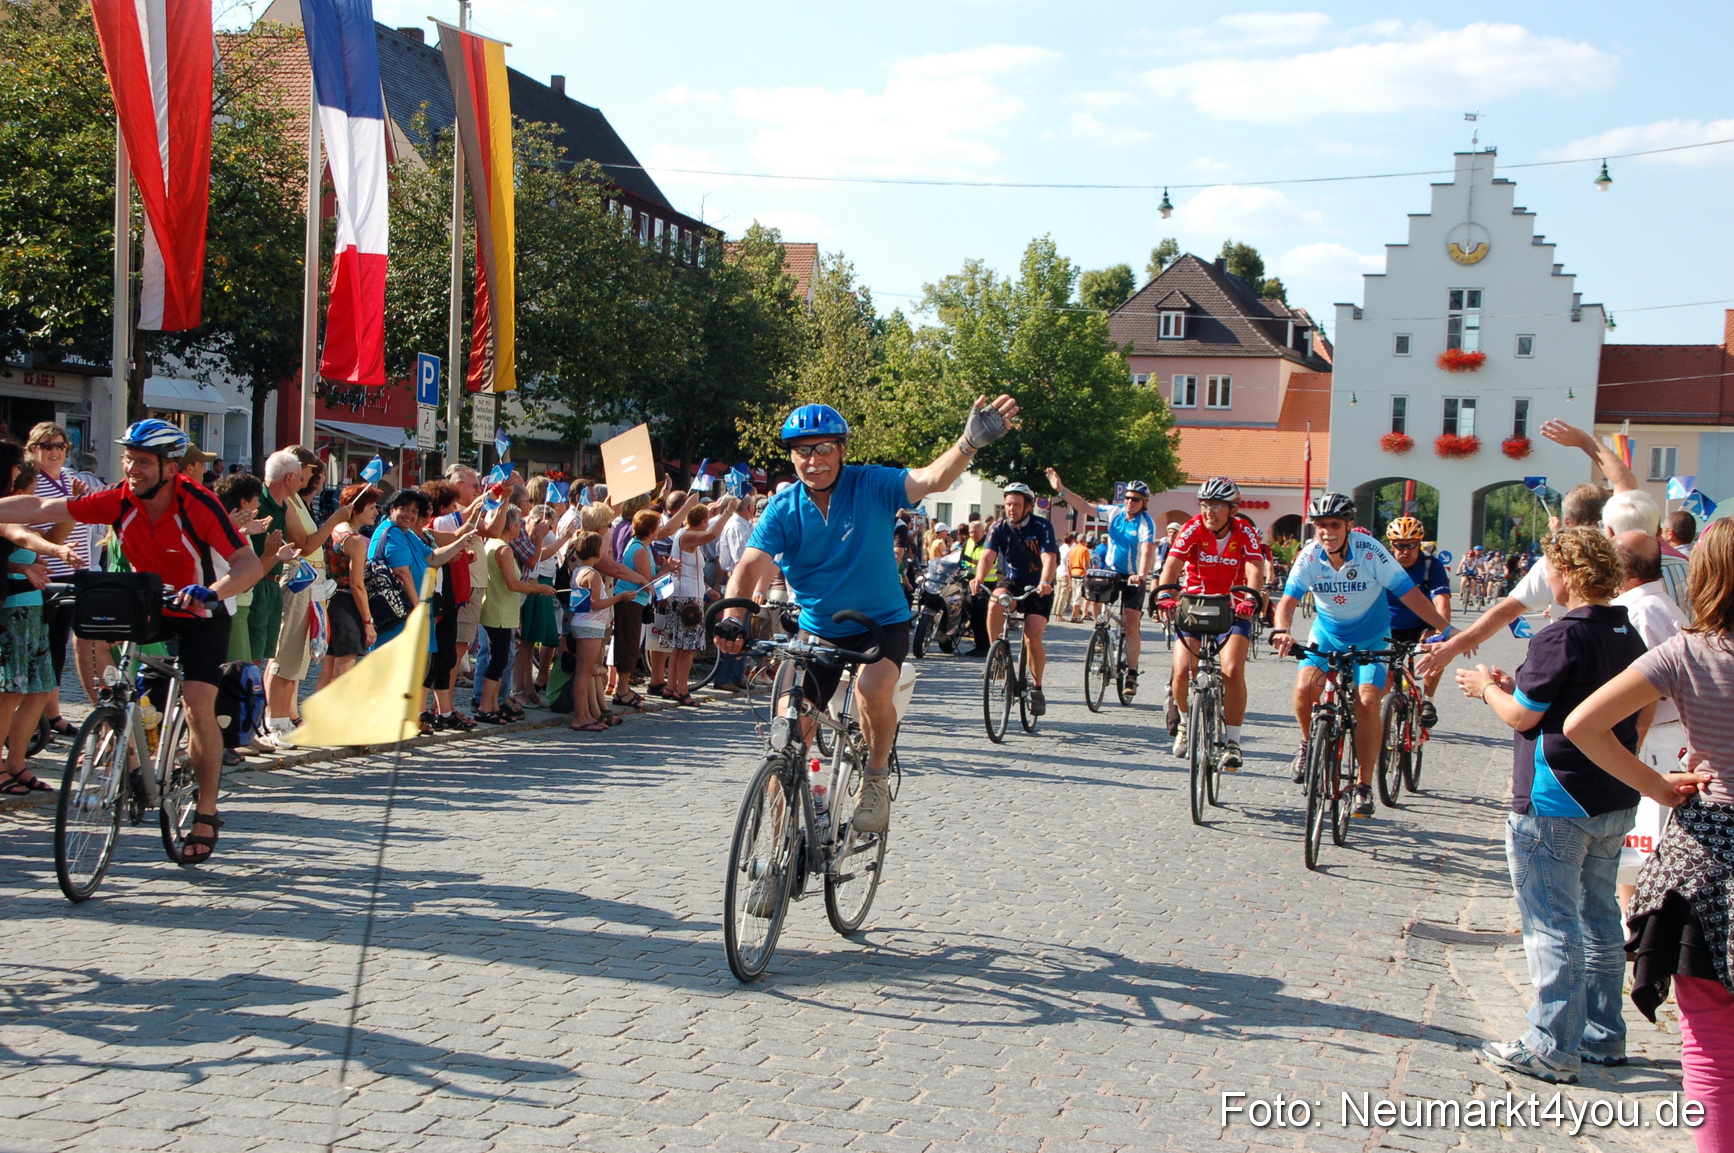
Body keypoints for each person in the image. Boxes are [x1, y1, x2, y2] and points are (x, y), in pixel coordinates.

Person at [716, 395, 1018, 836]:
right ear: (792, 456)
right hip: (818, 632)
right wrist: (734, 617)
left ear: (841, 450)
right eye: (803, 450)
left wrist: (968, 443)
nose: (813, 460)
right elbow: (748, 567)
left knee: (871, 686)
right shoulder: (783, 508)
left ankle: (875, 776)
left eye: (823, 448)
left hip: (882, 623)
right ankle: (777, 850)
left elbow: (932, 478)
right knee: (785, 729)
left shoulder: (871, 484)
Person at [0, 420, 264, 863]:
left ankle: (205, 809)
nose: (131, 468)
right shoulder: (119, 500)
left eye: (142, 461)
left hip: (203, 608)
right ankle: (127, 744)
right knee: (121, 680)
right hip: (151, 602)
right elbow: (44, 506)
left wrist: (213, 591)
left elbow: (247, 564)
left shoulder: (196, 502)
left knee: (199, 704)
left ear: (169, 466)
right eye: (128, 459)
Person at [1453, 528, 1648, 1084]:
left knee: (1552, 925)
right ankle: (1603, 1036)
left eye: (1550, 569)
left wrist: (1484, 687)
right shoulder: (1623, 629)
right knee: (1600, 918)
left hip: (1555, 797)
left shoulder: (1560, 636)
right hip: (1610, 793)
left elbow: (1522, 718)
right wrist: (1519, 687)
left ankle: (1551, 1044)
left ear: (1568, 573)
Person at [1564, 519, 1733, 1141]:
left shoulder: (1689, 651)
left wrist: (1658, 787)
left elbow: (1583, 724)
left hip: (1710, 856)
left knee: (1711, 1051)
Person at [1271, 493, 1452, 818]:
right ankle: (1306, 744)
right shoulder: (1310, 556)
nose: (1327, 531)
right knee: (1304, 688)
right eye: (1321, 525)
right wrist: (1282, 630)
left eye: (1335, 525)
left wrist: (1446, 629)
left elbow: (1410, 595)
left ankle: (1364, 785)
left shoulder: (1371, 553)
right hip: (1328, 634)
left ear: (1349, 526)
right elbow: (1287, 600)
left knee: (1367, 701)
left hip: (1372, 636)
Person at [1155, 478, 1268, 767]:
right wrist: (1166, 593)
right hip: (1195, 604)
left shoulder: (1246, 532)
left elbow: (1255, 567)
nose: (1210, 512)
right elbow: (1172, 564)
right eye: (1205, 505)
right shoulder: (1193, 527)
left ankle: (1233, 740)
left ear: (1233, 509)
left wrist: (1250, 599)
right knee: (1182, 671)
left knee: (1231, 670)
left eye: (1218, 506)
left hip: (1233, 608)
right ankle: (1183, 723)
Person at [1607, 532, 1689, 907]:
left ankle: (1640, 923)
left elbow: (1651, 690)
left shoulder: (1641, 611)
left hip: (1656, 738)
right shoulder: (1657, 604)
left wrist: (1632, 743)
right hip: (1661, 736)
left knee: (1646, 840)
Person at [1048, 470, 1157, 696]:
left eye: (1135, 499)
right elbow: (1085, 506)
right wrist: (1061, 489)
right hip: (1111, 572)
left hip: (1133, 576)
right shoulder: (1115, 512)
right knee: (1095, 592)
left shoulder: (1146, 523)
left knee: (1130, 623)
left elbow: (1146, 550)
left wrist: (1142, 574)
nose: (1129, 502)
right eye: (1127, 497)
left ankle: (1132, 675)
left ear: (1143, 502)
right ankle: (1101, 631)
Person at [974, 482, 1059, 715]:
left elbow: (1049, 557)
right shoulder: (999, 527)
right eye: (1008, 503)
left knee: (1032, 635)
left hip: (1040, 584)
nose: (1011, 508)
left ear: (1028, 507)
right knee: (994, 603)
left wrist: (1045, 582)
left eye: (1017, 504)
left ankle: (1037, 689)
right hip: (1013, 581)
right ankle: (998, 658)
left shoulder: (1042, 526)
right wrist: (979, 578)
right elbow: (988, 555)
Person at [477, 504, 557, 724]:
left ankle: (492, 704)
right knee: (498, 660)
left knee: (500, 660)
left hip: (500, 608)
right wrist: (539, 588)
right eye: (519, 524)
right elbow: (512, 584)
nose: (522, 528)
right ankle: (486, 705)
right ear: (512, 526)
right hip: (500, 609)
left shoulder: (494, 543)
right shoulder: (503, 548)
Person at [1382, 516, 1451, 728]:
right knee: (1384, 674)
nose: (1405, 550)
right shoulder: (1382, 564)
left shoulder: (1431, 565)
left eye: (1411, 545)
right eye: (1399, 545)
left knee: (1436, 651)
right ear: (1391, 545)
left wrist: (1440, 631)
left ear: (1419, 543)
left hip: (1422, 624)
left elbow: (1442, 601)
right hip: (1388, 625)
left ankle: (1428, 700)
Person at [565, 531, 636, 731]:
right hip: (589, 626)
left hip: (584, 623)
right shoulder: (592, 574)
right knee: (584, 672)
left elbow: (580, 604)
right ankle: (580, 717)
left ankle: (585, 714)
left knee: (585, 672)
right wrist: (619, 598)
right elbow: (595, 604)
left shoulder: (580, 570)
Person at [320, 482, 379, 689]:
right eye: (371, 507)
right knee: (344, 673)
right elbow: (357, 585)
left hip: (332, 600)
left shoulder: (335, 530)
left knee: (328, 671)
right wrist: (367, 620)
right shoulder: (355, 540)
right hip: (347, 604)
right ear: (357, 508)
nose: (376, 512)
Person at [958, 519, 994, 656]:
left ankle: (984, 646)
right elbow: (961, 557)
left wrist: (969, 560)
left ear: (983, 531)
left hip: (987, 583)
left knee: (981, 614)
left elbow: (987, 562)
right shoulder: (969, 542)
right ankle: (978, 643)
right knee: (970, 610)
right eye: (971, 532)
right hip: (970, 581)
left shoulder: (988, 544)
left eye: (976, 532)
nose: (973, 535)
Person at [1065, 531, 1092, 623]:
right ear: (1084, 541)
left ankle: (1075, 615)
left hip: (1073, 573)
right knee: (1079, 596)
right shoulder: (1084, 549)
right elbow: (1086, 564)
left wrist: (1069, 577)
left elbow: (1068, 564)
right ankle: (1074, 616)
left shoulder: (1073, 550)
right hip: (1081, 573)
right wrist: (1087, 574)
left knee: (1074, 596)